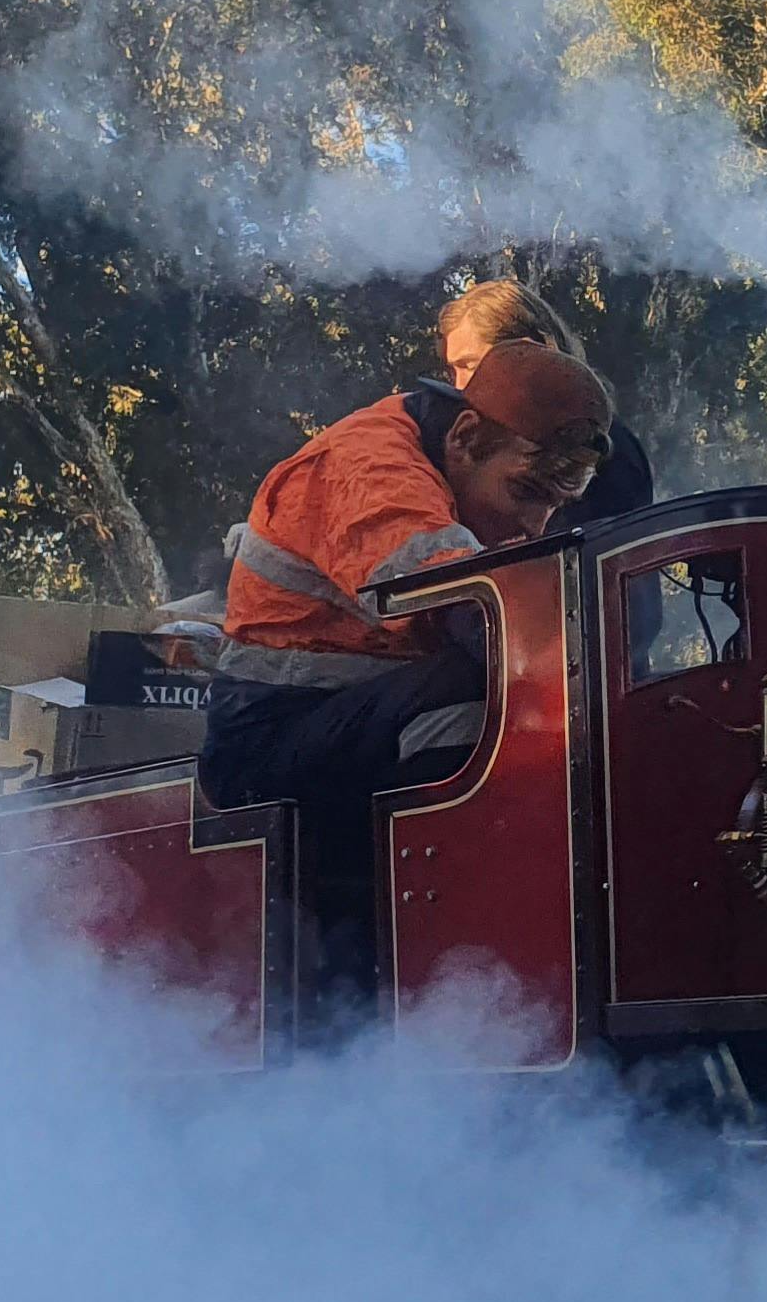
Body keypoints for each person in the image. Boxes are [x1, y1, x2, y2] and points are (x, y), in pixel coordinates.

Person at [197, 337, 618, 1011]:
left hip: (349, 723)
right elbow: (472, 609)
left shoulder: (451, 462)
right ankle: (440, 959)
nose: (534, 521)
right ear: (466, 436)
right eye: (526, 492)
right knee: (480, 691)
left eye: (553, 504)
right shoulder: (370, 468)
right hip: (265, 747)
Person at [437, 280, 657, 523]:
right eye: (452, 371)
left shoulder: (606, 451)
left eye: (470, 365)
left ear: (527, 348)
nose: (459, 386)